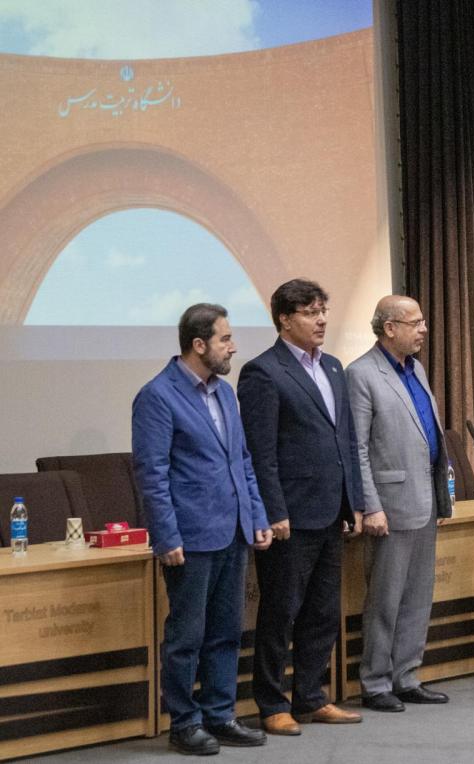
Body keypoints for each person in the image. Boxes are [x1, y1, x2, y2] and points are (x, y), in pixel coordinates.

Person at [132, 303, 273, 755]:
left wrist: (257, 516)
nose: (233, 347)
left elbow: (242, 462)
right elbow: (152, 474)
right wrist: (166, 536)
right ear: (198, 344)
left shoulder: (225, 393)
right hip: (189, 537)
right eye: (225, 339)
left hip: (233, 531)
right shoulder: (157, 395)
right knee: (186, 637)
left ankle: (220, 714)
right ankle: (185, 723)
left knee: (227, 632)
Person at [238, 279, 365, 734]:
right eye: (311, 312)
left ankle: (311, 696)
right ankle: (272, 704)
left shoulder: (332, 366)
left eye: (323, 310)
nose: (322, 320)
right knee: (281, 612)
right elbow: (261, 452)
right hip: (290, 515)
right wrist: (273, 511)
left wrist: (354, 502)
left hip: (331, 510)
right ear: (285, 320)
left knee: (323, 612)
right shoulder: (262, 372)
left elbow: (345, 441)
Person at [346, 295, 453, 712]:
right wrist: (370, 505)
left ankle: (407, 676)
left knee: (417, 597)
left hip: (424, 500)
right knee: (385, 600)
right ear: (389, 328)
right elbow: (357, 448)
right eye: (415, 322)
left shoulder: (417, 369)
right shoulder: (361, 374)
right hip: (389, 506)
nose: (423, 329)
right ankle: (375, 683)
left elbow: (428, 436)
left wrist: (441, 497)